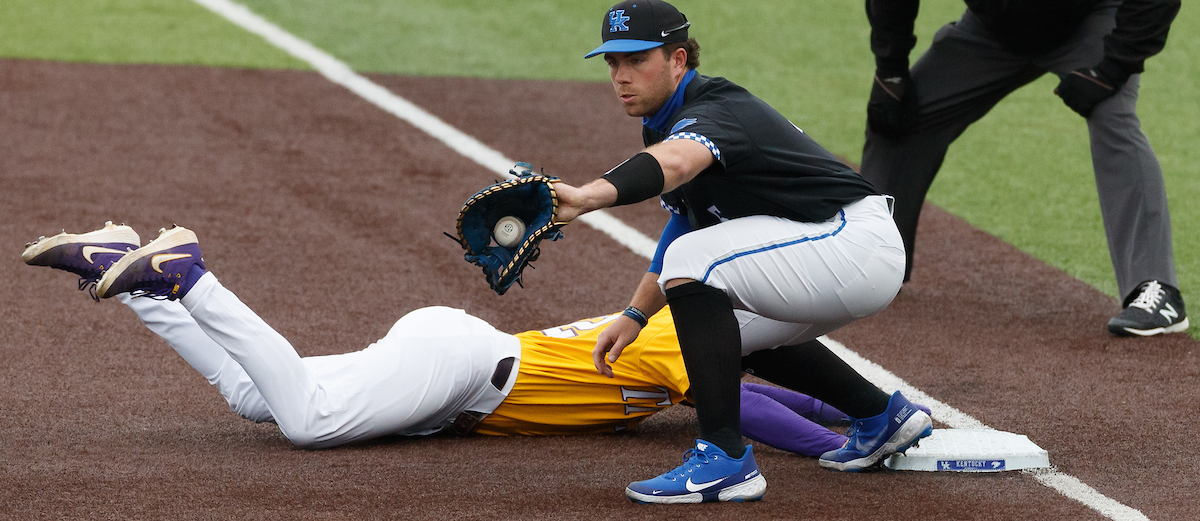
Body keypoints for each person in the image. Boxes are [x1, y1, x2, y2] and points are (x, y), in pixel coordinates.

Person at [20, 221, 852, 456]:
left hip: (451, 368)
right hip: (460, 368)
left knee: (255, 398)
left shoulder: (688, 349)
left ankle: (131, 273)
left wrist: (847, 414)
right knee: (307, 423)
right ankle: (191, 276)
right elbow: (744, 408)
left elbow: (757, 390)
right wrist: (839, 445)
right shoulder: (684, 337)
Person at [548, 0, 931, 504]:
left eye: (637, 60)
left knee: (695, 268)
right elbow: (686, 221)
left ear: (679, 59)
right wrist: (636, 313)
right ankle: (882, 415)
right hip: (833, 250)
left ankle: (724, 458)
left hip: (854, 241)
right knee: (721, 337)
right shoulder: (662, 123)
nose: (621, 75)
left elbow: (678, 166)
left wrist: (587, 196)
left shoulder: (715, 109)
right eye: (613, 63)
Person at [860, 0, 1187, 337]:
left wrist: (1110, 68)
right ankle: (872, 264)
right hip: (989, 32)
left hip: (1086, 25)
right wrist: (891, 72)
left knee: (1114, 121)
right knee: (899, 113)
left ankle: (1157, 291)